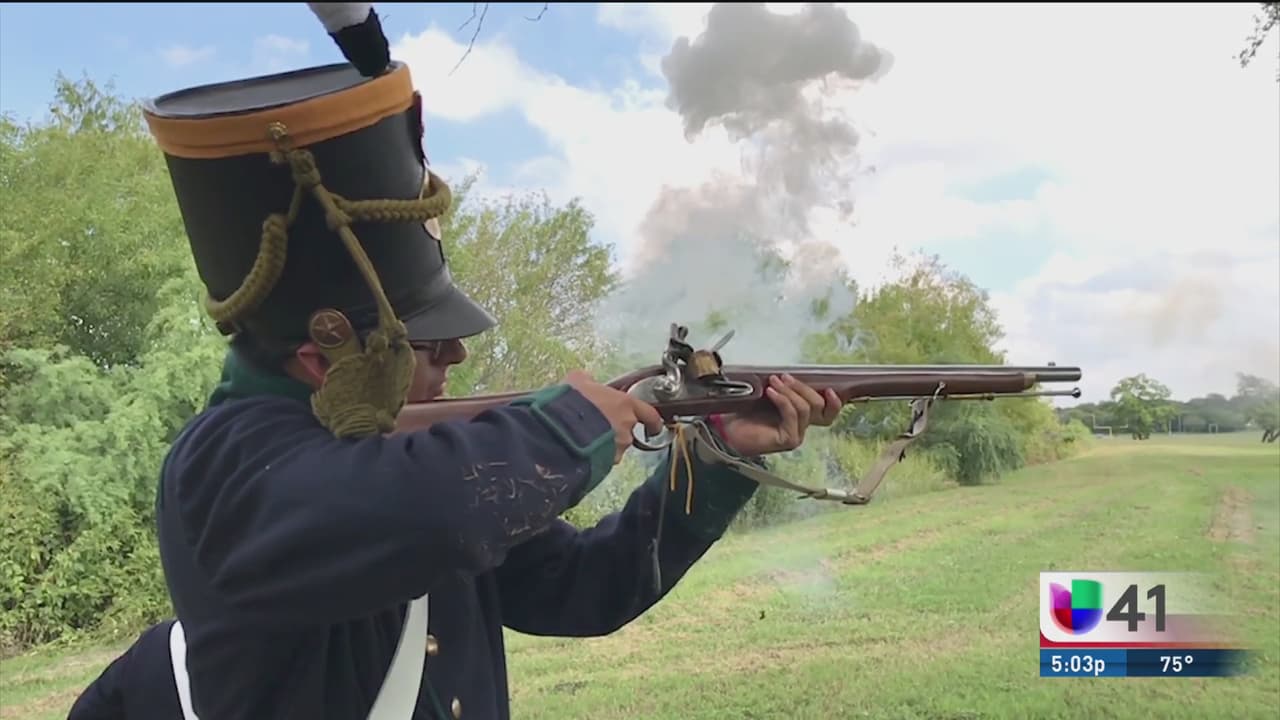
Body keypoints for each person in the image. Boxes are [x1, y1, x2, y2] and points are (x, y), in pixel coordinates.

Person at [119, 23, 844, 720]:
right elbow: (423, 508)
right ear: (323, 357)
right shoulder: (223, 460)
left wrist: (718, 459)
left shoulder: (397, 457)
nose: (456, 355)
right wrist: (572, 427)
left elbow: (584, 585)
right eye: (426, 342)